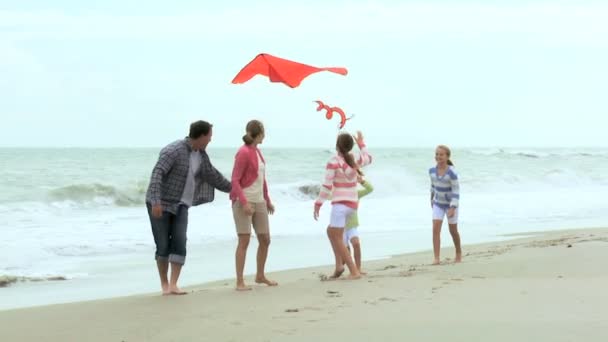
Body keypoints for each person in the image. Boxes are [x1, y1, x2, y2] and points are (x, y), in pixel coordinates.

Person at [145, 120, 231, 295]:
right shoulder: (174, 150)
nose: (210, 140)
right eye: (209, 136)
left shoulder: (201, 155)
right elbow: (157, 173)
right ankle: (164, 284)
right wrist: (155, 201)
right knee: (162, 245)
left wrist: (233, 188)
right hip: (161, 203)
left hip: (181, 205)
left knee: (180, 241)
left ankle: (174, 284)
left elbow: (212, 175)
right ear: (201, 136)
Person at [314, 131, 372, 280]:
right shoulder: (355, 159)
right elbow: (369, 158)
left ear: (337, 146)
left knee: (337, 238)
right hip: (352, 205)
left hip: (340, 206)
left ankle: (353, 271)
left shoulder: (333, 161)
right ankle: (339, 266)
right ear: (351, 146)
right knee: (331, 231)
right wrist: (361, 144)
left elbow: (327, 187)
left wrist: (318, 203)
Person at [230, 120, 277, 291]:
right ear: (259, 134)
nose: (265, 135)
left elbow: (261, 179)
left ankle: (260, 275)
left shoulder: (257, 151)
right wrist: (244, 203)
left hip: (259, 201)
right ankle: (240, 281)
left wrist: (268, 200)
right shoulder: (243, 152)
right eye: (263, 132)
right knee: (244, 240)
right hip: (244, 201)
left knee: (265, 239)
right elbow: (234, 180)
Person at [429, 144, 461, 265]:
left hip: (450, 204)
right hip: (438, 203)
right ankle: (436, 258)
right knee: (435, 229)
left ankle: (458, 253)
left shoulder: (452, 173)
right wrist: (431, 199)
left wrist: (453, 207)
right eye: (437, 154)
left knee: (453, 230)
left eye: (441, 154)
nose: (438, 156)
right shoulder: (431, 171)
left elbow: (456, 191)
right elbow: (433, 186)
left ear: (447, 157)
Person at [344, 175, 374, 274]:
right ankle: (351, 270)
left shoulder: (356, 194)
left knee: (356, 244)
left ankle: (358, 268)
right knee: (346, 250)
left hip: (352, 225)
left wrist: (362, 181)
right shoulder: (338, 194)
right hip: (340, 227)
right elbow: (326, 195)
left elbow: (370, 189)